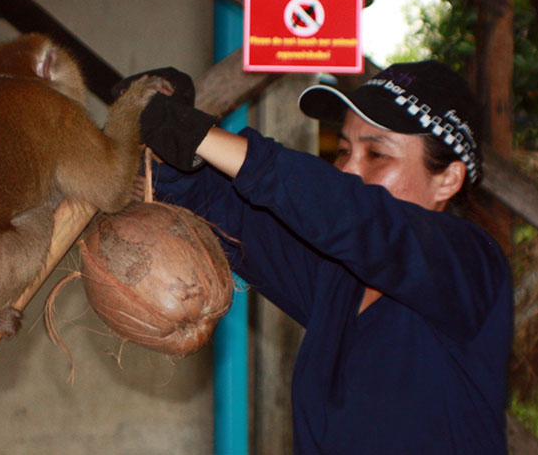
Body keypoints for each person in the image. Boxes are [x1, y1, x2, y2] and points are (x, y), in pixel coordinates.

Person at [115, 61, 513, 454]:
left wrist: (198, 135)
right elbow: (230, 212)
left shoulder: (472, 262)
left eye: (377, 155)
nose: (347, 170)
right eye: (342, 150)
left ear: (449, 179)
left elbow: (354, 216)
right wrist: (174, 154)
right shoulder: (336, 281)